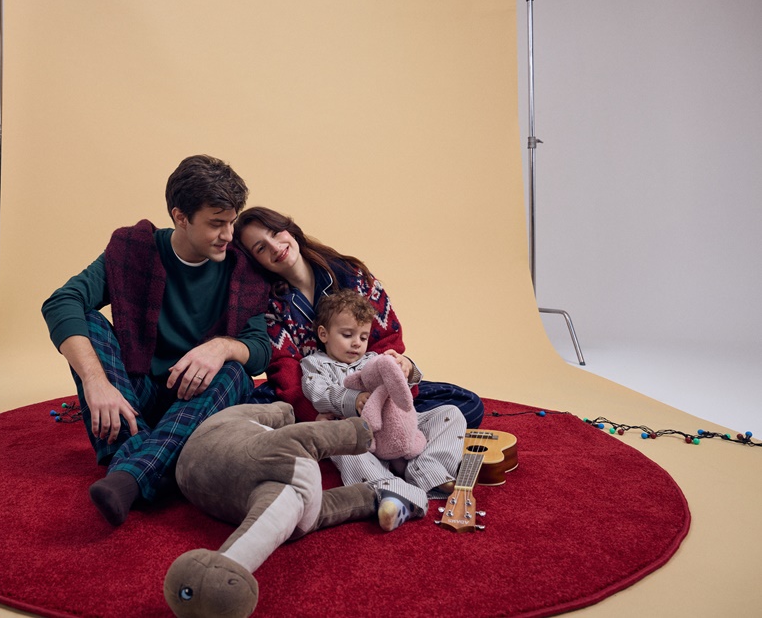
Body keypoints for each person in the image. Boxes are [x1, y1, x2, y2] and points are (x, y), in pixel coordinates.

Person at [42, 155, 272, 527]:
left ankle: (128, 474)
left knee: (235, 372)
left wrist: (222, 346)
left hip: (199, 399)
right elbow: (61, 302)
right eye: (216, 224)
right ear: (181, 217)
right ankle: (158, 463)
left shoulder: (241, 268)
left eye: (231, 222)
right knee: (88, 321)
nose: (229, 235)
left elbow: (260, 349)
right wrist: (95, 381)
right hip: (141, 397)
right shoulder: (134, 249)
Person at [234, 206, 485, 530]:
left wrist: (402, 371)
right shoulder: (271, 304)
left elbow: (388, 339)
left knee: (465, 405)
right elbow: (285, 368)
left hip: (381, 391)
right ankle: (387, 483)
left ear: (289, 228)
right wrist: (315, 417)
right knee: (256, 409)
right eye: (260, 248)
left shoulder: (350, 275)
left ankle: (424, 469)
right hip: (322, 398)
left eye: (274, 232)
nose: (274, 246)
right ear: (256, 261)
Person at [300, 289, 466, 512]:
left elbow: (400, 391)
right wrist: (353, 400)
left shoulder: (373, 359)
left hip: (396, 425)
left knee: (451, 413)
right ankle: (392, 491)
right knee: (341, 445)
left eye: (363, 337)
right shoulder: (314, 364)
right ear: (323, 334)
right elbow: (318, 392)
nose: (357, 343)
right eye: (347, 335)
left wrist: (407, 369)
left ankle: (428, 470)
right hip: (361, 433)